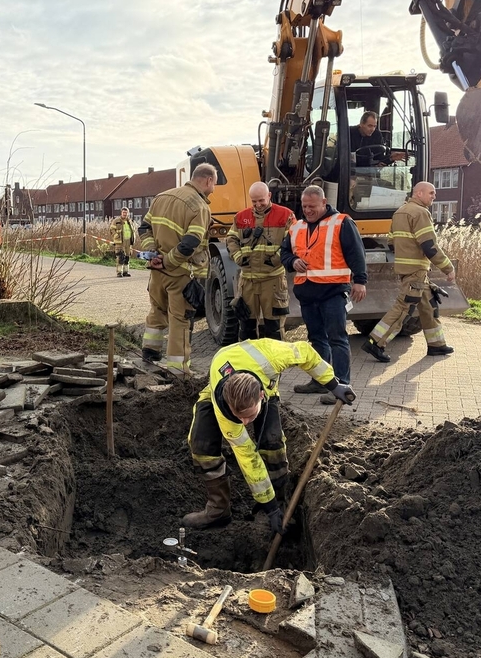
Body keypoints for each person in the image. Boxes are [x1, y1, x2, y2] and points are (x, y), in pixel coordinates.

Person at [182, 338, 356, 531]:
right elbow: (248, 457)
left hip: (262, 374)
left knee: (272, 443)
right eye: (239, 417)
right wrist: (269, 506)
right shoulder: (226, 411)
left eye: (249, 416)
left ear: (261, 396)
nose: (245, 423)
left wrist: (333, 385)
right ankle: (218, 510)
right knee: (201, 445)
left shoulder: (273, 357)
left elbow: (305, 352)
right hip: (216, 384)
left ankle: (281, 501)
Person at [280, 185, 367, 394]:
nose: (308, 210)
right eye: (304, 206)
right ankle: (320, 381)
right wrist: (292, 261)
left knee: (337, 338)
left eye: (312, 206)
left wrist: (360, 281)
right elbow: (284, 253)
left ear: (324, 203)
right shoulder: (296, 227)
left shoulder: (341, 223)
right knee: (317, 338)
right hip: (308, 294)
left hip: (333, 292)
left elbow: (356, 253)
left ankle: (341, 385)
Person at [362, 181, 456, 363]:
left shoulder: (400, 212)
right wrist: (448, 267)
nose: (434, 196)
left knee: (428, 305)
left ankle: (437, 345)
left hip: (409, 270)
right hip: (416, 271)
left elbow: (391, 242)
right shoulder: (420, 213)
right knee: (404, 307)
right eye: (431, 193)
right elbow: (429, 246)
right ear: (419, 193)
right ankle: (376, 342)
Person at [138, 163, 215, 378]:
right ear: (208, 180)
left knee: (157, 311)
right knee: (180, 320)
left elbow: (144, 228)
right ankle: (177, 369)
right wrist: (168, 261)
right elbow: (191, 241)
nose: (214, 187)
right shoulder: (199, 206)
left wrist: (152, 254)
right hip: (180, 274)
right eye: (215, 182)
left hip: (156, 274)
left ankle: (149, 355)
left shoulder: (161, 197)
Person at [226, 182, 296, 341]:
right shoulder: (241, 217)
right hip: (247, 282)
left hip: (273, 281)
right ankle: (249, 364)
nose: (258, 205)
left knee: (274, 329)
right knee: (246, 328)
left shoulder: (286, 215)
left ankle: (275, 364)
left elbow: (293, 242)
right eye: (254, 201)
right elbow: (231, 239)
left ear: (269, 196)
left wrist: (275, 260)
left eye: (261, 201)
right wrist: (237, 256)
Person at [110, 207, 135, 277]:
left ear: (128, 213)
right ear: (121, 213)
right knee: (120, 256)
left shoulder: (129, 221)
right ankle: (119, 272)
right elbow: (111, 229)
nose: (125, 214)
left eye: (126, 213)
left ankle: (125, 271)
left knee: (127, 257)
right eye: (123, 212)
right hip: (120, 242)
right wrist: (115, 235)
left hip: (128, 241)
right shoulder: (116, 221)